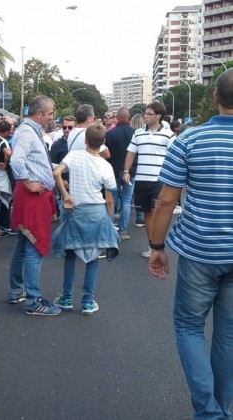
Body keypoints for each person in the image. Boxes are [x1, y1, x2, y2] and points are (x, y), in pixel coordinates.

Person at [148, 68, 233, 420]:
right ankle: (222, 410)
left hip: (199, 250)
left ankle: (209, 412)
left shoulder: (189, 140)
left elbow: (166, 201)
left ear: (215, 97)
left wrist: (157, 246)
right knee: (229, 335)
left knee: (189, 327)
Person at [52, 123, 119, 315]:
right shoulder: (106, 166)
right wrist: (109, 219)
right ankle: (88, 302)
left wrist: (66, 195)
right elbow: (109, 199)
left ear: (85, 140)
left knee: (71, 254)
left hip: (76, 210)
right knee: (93, 258)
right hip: (97, 213)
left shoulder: (74, 155)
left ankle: (66, 298)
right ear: (103, 142)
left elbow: (56, 173)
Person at [8, 95, 61, 316]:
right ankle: (33, 300)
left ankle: (16, 290)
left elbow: (35, 162)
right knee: (35, 246)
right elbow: (16, 160)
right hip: (33, 196)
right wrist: (28, 181)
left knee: (23, 245)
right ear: (39, 113)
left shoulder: (31, 131)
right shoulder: (28, 133)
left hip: (33, 195)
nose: (52, 117)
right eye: (50, 113)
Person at [122, 102, 174, 258]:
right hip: (141, 178)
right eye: (145, 113)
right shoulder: (138, 133)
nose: (144, 116)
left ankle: (158, 245)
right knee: (147, 214)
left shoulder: (168, 134)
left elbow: (174, 157)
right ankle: (152, 245)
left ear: (158, 116)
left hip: (160, 179)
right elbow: (131, 153)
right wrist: (126, 171)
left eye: (148, 113)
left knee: (156, 211)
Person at [105, 107, 136, 240]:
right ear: (129, 117)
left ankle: (110, 230)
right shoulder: (135, 133)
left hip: (113, 170)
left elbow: (107, 154)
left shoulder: (110, 134)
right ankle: (123, 231)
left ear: (117, 118)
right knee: (127, 201)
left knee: (112, 200)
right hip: (130, 171)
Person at [129, 114, 146, 228]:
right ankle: (140, 217)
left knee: (129, 194)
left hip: (129, 166)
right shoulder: (143, 136)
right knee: (140, 192)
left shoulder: (131, 135)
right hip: (141, 167)